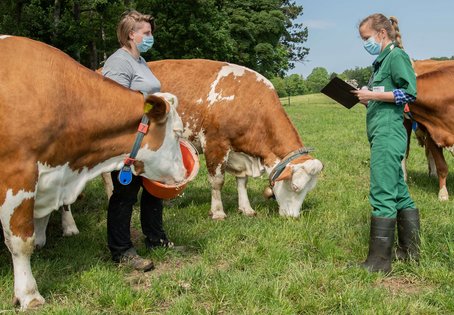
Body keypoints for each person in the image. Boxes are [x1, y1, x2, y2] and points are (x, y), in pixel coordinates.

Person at [102, 10, 173, 272]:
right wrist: (151, 105)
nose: (150, 37)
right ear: (131, 34)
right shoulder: (118, 62)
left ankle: (156, 239)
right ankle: (121, 251)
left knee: (153, 189)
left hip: (147, 137)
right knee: (125, 194)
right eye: (146, 33)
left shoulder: (140, 61)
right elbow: (114, 103)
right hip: (128, 140)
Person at [352, 14, 421, 273]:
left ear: (381, 33)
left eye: (366, 38)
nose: (365, 43)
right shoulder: (380, 62)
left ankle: (379, 263)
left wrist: (370, 93)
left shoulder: (396, 57)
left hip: (389, 133)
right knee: (399, 191)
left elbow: (410, 93)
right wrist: (368, 98)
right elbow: (386, 95)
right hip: (382, 131)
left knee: (382, 192)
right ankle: (410, 252)